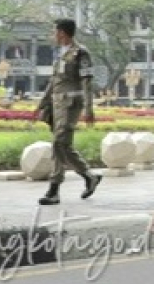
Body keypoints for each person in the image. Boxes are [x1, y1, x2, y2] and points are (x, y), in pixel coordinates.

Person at [35, 19, 103, 206]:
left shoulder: (81, 53)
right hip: (56, 104)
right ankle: (89, 176)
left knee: (58, 142)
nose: (53, 35)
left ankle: (54, 189)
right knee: (63, 145)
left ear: (63, 33)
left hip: (71, 104)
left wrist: (89, 109)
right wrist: (43, 103)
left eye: (55, 32)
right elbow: (53, 80)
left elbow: (87, 82)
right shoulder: (60, 54)